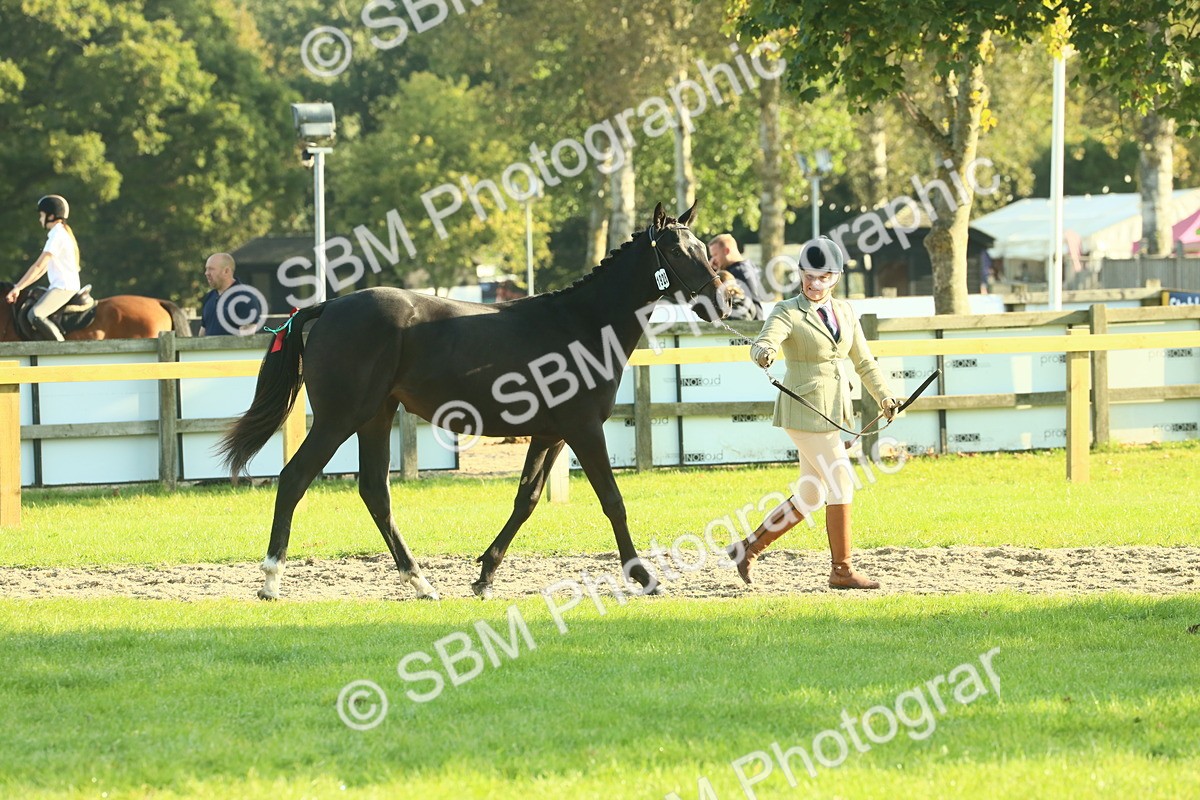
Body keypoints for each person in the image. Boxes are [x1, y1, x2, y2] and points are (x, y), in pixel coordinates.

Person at [728, 236, 901, 590]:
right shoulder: (787, 310)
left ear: (835, 278)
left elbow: (864, 362)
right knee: (843, 482)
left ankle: (746, 549)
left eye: (823, 277)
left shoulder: (847, 312)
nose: (814, 283)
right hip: (804, 410)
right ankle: (842, 570)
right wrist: (763, 352)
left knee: (811, 495)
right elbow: (767, 340)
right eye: (808, 275)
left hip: (834, 410)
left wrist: (885, 397)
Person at [5, 195, 81, 341]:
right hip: (60, 286)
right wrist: (20, 287)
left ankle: (62, 349)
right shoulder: (59, 234)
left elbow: (38, 265)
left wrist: (17, 287)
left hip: (64, 287)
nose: (40, 219)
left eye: (41, 215)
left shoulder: (57, 235)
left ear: (51, 216)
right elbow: (41, 269)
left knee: (35, 315)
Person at [708, 234, 768, 319]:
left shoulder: (739, 271)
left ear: (726, 251)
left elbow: (751, 304)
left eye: (715, 255)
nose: (712, 260)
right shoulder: (748, 267)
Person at [200, 252, 256, 335]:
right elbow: (203, 332)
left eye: (211, 269)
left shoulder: (245, 297)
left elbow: (247, 340)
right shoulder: (209, 297)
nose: (206, 273)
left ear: (226, 271)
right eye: (206, 269)